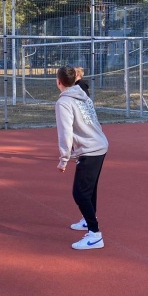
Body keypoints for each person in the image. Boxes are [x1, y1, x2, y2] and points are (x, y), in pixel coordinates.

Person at [55, 66, 109, 250]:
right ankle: (88, 220)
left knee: (80, 193)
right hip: (99, 144)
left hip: (91, 149)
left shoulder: (63, 102)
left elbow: (65, 133)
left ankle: (95, 234)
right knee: (89, 190)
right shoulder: (84, 95)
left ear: (58, 82)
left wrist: (64, 158)